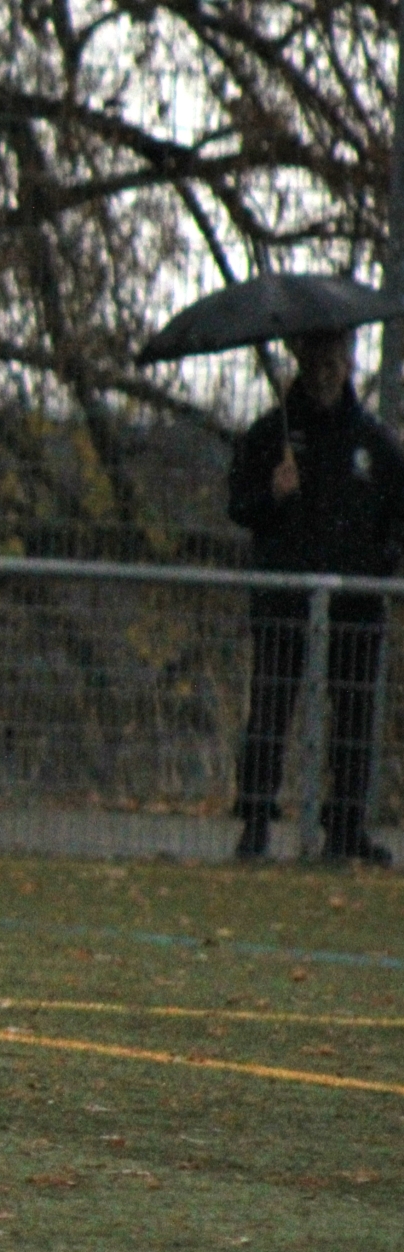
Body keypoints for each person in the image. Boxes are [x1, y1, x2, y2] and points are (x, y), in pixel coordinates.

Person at [229, 329, 404, 867]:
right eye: (317, 359)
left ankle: (345, 830)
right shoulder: (270, 435)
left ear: (349, 362)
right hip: (284, 601)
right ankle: (256, 822)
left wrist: (380, 565)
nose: (327, 370)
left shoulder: (375, 443)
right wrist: (273, 494)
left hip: (356, 607)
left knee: (354, 716)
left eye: (336, 358)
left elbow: (397, 520)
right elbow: (240, 507)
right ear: (301, 360)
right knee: (271, 707)